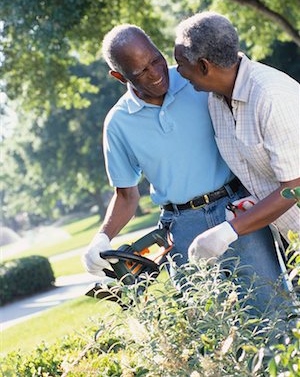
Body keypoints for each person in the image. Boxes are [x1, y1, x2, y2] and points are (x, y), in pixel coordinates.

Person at [82, 24, 286, 314]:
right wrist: (102, 237)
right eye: (140, 72)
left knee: (271, 308)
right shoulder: (118, 124)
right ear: (119, 77)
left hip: (238, 209)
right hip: (180, 227)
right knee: (207, 325)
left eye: (155, 59)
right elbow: (126, 195)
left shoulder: (199, 81)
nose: (155, 73)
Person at [174, 11, 300, 263]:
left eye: (180, 63)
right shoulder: (216, 100)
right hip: (290, 238)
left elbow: (294, 188)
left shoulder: (271, 97)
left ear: (203, 66)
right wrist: (253, 200)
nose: (178, 71)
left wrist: (229, 231)